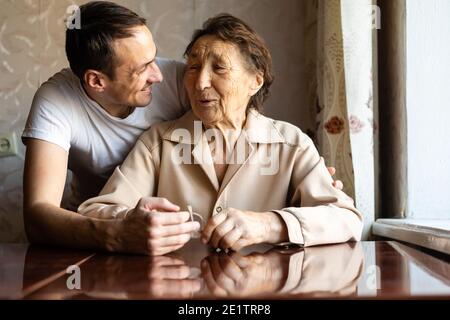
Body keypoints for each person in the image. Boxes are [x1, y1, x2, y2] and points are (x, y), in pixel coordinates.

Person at [79, 14, 363, 255]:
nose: (200, 82)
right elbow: (96, 213)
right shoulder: (159, 141)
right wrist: (132, 220)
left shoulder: (292, 144)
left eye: (219, 68)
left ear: (255, 81)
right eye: (193, 67)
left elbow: (347, 219)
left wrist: (269, 225)